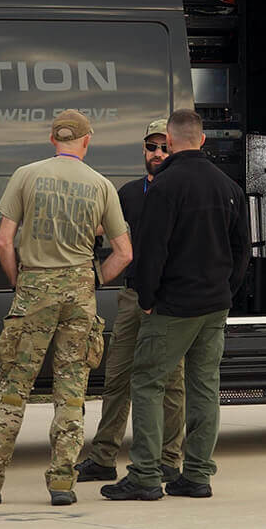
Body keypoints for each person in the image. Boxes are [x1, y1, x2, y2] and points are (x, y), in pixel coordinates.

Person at [0, 109, 132, 507]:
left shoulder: (26, 175)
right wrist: (93, 280)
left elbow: (4, 242)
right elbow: (124, 252)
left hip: (34, 288)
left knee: (13, 389)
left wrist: (18, 280)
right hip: (79, 293)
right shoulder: (101, 185)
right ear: (86, 141)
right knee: (71, 390)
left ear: (53, 139)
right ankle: (62, 483)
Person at [101, 109, 250, 501]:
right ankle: (197, 474)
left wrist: (148, 299)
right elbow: (242, 251)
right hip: (215, 305)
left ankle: (146, 476)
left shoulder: (165, 187)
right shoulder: (228, 187)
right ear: (202, 140)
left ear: (170, 140)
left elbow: (151, 251)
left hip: (174, 306)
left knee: (147, 382)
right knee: (204, 387)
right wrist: (226, 290)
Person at [76, 118, 185, 483]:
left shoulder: (180, 189)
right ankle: (104, 455)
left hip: (170, 301)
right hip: (133, 296)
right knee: (117, 376)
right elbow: (97, 230)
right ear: (143, 149)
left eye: (164, 147)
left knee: (171, 381)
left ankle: (170, 459)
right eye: (151, 147)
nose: (157, 154)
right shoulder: (125, 193)